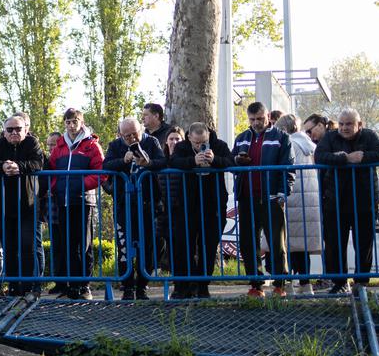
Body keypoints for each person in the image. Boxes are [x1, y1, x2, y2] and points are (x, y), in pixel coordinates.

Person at [313, 108, 379, 291]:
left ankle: (361, 282)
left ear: (359, 125)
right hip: (335, 200)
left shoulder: (370, 136)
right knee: (334, 244)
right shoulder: (330, 137)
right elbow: (319, 156)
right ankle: (339, 282)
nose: (344, 128)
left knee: (364, 244)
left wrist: (362, 157)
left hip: (364, 200)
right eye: (342, 124)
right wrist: (345, 159)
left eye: (349, 124)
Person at [231, 101, 292, 297]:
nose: (256, 123)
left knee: (276, 241)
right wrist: (237, 161)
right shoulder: (241, 138)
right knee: (249, 242)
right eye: (252, 119)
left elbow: (288, 167)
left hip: (272, 197)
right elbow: (231, 161)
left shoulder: (281, 137)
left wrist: (283, 193)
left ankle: (279, 283)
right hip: (247, 197)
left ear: (268, 117)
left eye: (259, 118)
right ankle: (255, 284)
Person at [103, 117, 167, 299]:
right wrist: (123, 161)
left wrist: (149, 164)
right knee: (124, 245)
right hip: (124, 204)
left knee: (149, 245)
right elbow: (106, 165)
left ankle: (142, 285)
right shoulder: (115, 145)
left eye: (135, 134)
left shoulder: (151, 142)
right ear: (120, 135)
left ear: (141, 130)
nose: (131, 138)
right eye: (127, 136)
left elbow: (163, 162)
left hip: (148, 203)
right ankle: (127, 286)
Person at [0, 114, 46, 291]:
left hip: (28, 205)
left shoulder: (32, 143)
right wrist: (2, 166)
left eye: (18, 129)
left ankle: (27, 286)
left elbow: (38, 162)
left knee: (27, 245)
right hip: (3, 206)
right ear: (4, 132)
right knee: (8, 247)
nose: (14, 132)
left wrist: (19, 167)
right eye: (10, 130)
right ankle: (13, 285)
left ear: (26, 130)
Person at [167, 123, 231, 297]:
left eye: (203, 141)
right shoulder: (181, 147)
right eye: (196, 143)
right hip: (187, 204)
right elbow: (173, 161)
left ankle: (203, 285)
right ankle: (185, 285)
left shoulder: (219, 145)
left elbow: (229, 161)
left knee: (209, 246)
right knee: (184, 244)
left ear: (208, 135)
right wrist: (192, 162)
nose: (200, 145)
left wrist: (215, 160)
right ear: (189, 138)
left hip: (213, 204)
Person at [48, 107, 104, 298]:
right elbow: (52, 170)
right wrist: (57, 187)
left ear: (82, 122)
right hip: (63, 201)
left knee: (84, 244)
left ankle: (84, 285)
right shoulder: (60, 146)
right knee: (67, 244)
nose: (71, 126)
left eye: (75, 122)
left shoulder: (92, 145)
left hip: (83, 201)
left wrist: (81, 184)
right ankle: (71, 285)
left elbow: (100, 172)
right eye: (68, 122)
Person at [278, 113, 322, 293]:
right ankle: (306, 284)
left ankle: (287, 284)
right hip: (309, 201)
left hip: (291, 199)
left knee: (287, 244)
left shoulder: (289, 145)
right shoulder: (311, 146)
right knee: (303, 246)